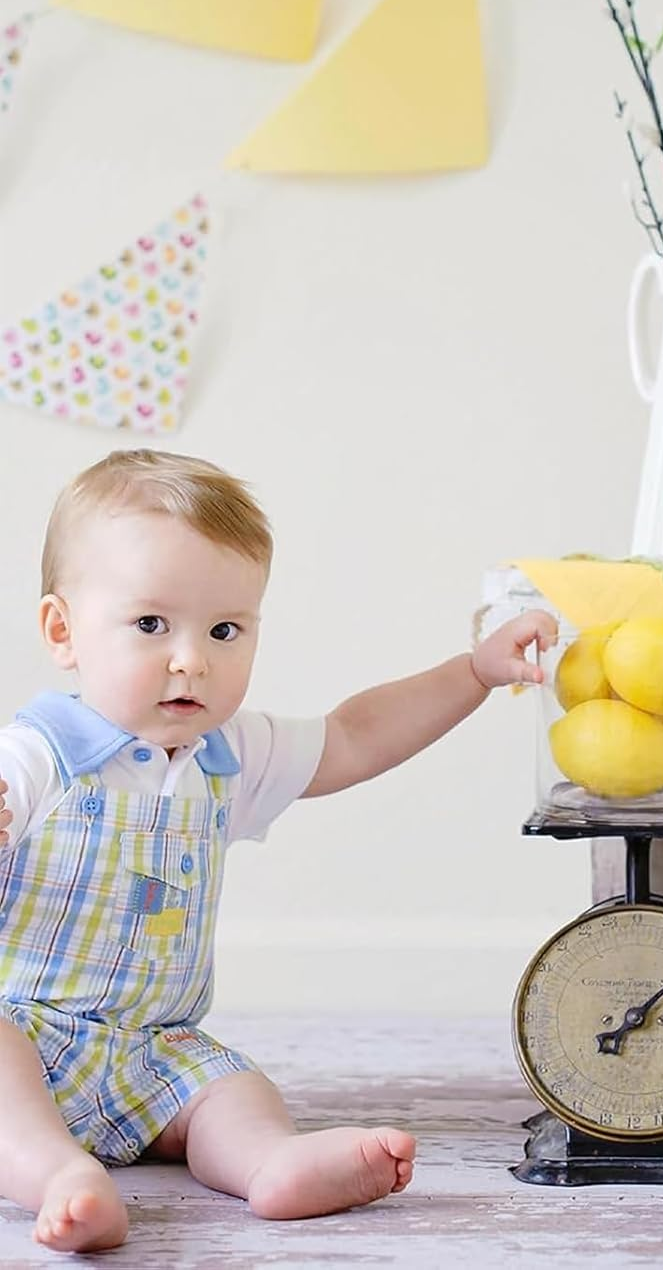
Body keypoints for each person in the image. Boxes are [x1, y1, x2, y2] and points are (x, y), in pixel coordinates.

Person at [0, 450, 556, 1253]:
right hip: (25, 1035)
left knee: (230, 1089)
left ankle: (269, 1162)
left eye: (224, 630)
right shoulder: (36, 756)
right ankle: (57, 1174)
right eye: (151, 625)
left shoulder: (227, 754)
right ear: (64, 631)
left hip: (154, 1051)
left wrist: (473, 672)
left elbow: (355, 736)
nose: (192, 658)